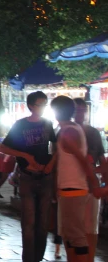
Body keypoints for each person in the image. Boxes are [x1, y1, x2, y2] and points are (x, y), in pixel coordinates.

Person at [0, 90, 57, 262]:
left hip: (45, 176)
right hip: (27, 176)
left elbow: (55, 148)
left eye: (45, 104)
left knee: (43, 222)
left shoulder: (47, 124)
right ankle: (29, 259)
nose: (43, 108)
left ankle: (38, 257)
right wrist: (25, 156)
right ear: (31, 105)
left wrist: (50, 165)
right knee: (29, 222)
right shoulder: (20, 125)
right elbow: (4, 148)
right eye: (40, 104)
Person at [51, 96, 99, 262]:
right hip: (70, 187)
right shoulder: (69, 129)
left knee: (76, 234)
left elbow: (82, 160)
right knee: (70, 233)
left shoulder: (69, 131)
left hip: (74, 188)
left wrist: (95, 183)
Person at [74, 98, 104, 261]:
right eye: (77, 110)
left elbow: (102, 160)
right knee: (72, 228)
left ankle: (90, 258)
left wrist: (101, 180)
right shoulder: (64, 132)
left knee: (91, 228)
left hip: (91, 186)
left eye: (82, 110)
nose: (80, 114)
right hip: (72, 186)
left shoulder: (93, 133)